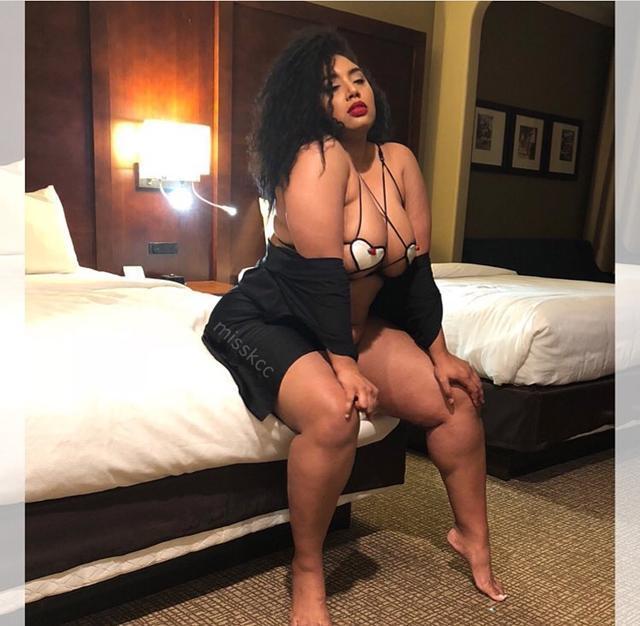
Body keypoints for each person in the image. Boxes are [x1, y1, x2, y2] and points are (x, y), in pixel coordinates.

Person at [202, 26, 506, 626]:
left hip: (350, 329)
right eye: (331, 87)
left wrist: (440, 352)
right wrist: (342, 366)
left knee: (453, 403)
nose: (350, 91)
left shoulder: (399, 161)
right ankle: (307, 569)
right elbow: (320, 278)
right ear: (308, 104)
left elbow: (416, 274)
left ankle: (473, 537)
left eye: (357, 78)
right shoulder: (313, 159)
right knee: (335, 415)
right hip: (270, 319)